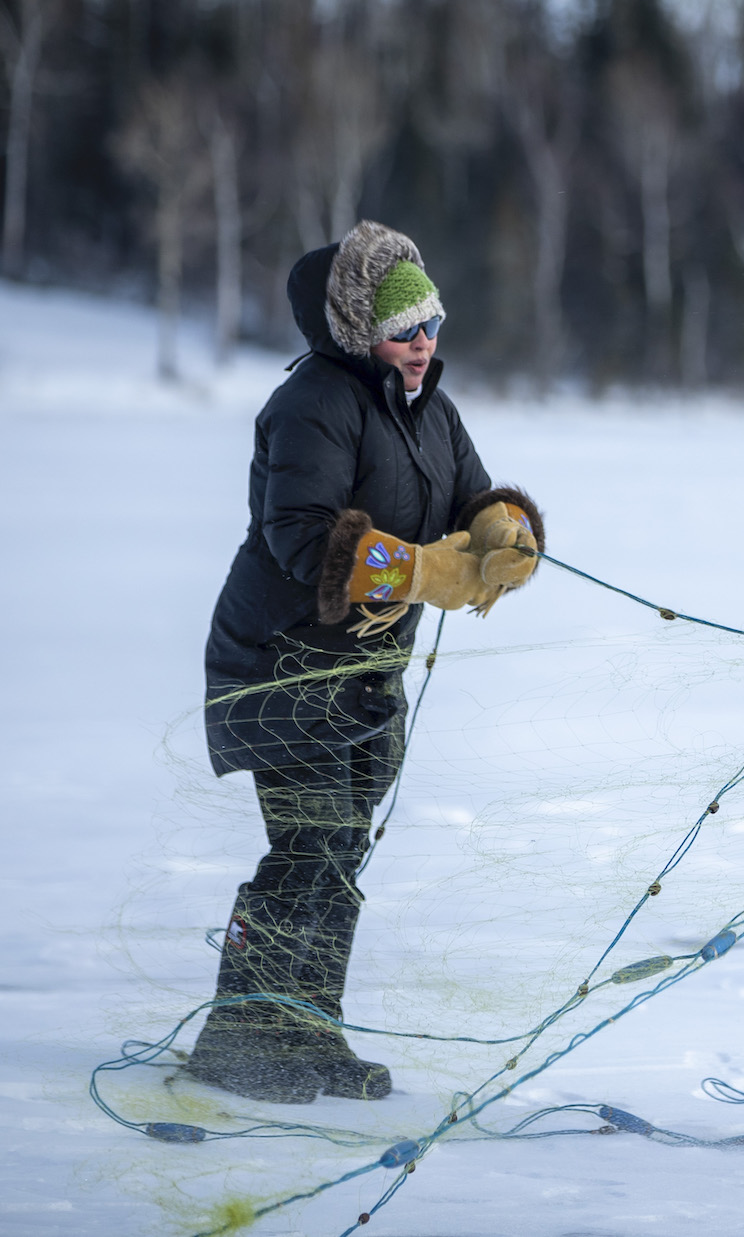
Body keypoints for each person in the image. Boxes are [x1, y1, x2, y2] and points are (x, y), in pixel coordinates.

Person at [187, 220, 546, 1104]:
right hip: (282, 665)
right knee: (308, 846)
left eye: (431, 325)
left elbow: (473, 493)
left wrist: (506, 529)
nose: (422, 346)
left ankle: (310, 1036)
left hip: (365, 675)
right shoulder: (315, 401)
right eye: (403, 329)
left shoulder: (432, 408)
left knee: (341, 850)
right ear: (357, 328)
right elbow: (301, 537)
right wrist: (426, 568)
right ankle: (239, 1039)